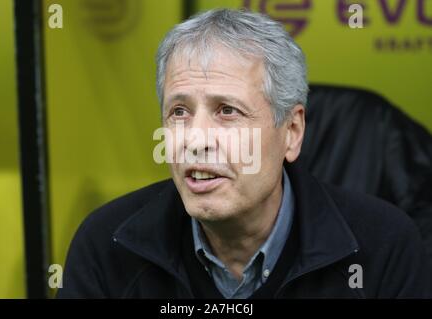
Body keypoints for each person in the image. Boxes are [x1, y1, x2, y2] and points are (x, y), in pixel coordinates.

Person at [57, 9, 431, 298]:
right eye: (179, 112)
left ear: (292, 132)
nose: (196, 140)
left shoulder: (383, 247)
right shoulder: (107, 246)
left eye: (227, 111)